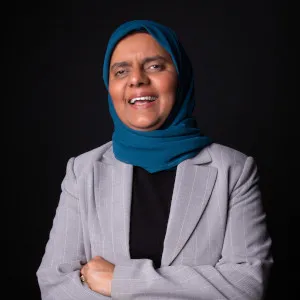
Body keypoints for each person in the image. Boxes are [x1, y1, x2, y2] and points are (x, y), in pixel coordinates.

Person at [36, 20, 273, 300]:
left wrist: (120, 281)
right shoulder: (82, 171)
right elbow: (55, 284)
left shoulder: (233, 170)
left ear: (181, 77)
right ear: (109, 86)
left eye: (154, 66)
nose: (136, 79)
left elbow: (247, 283)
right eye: (121, 71)